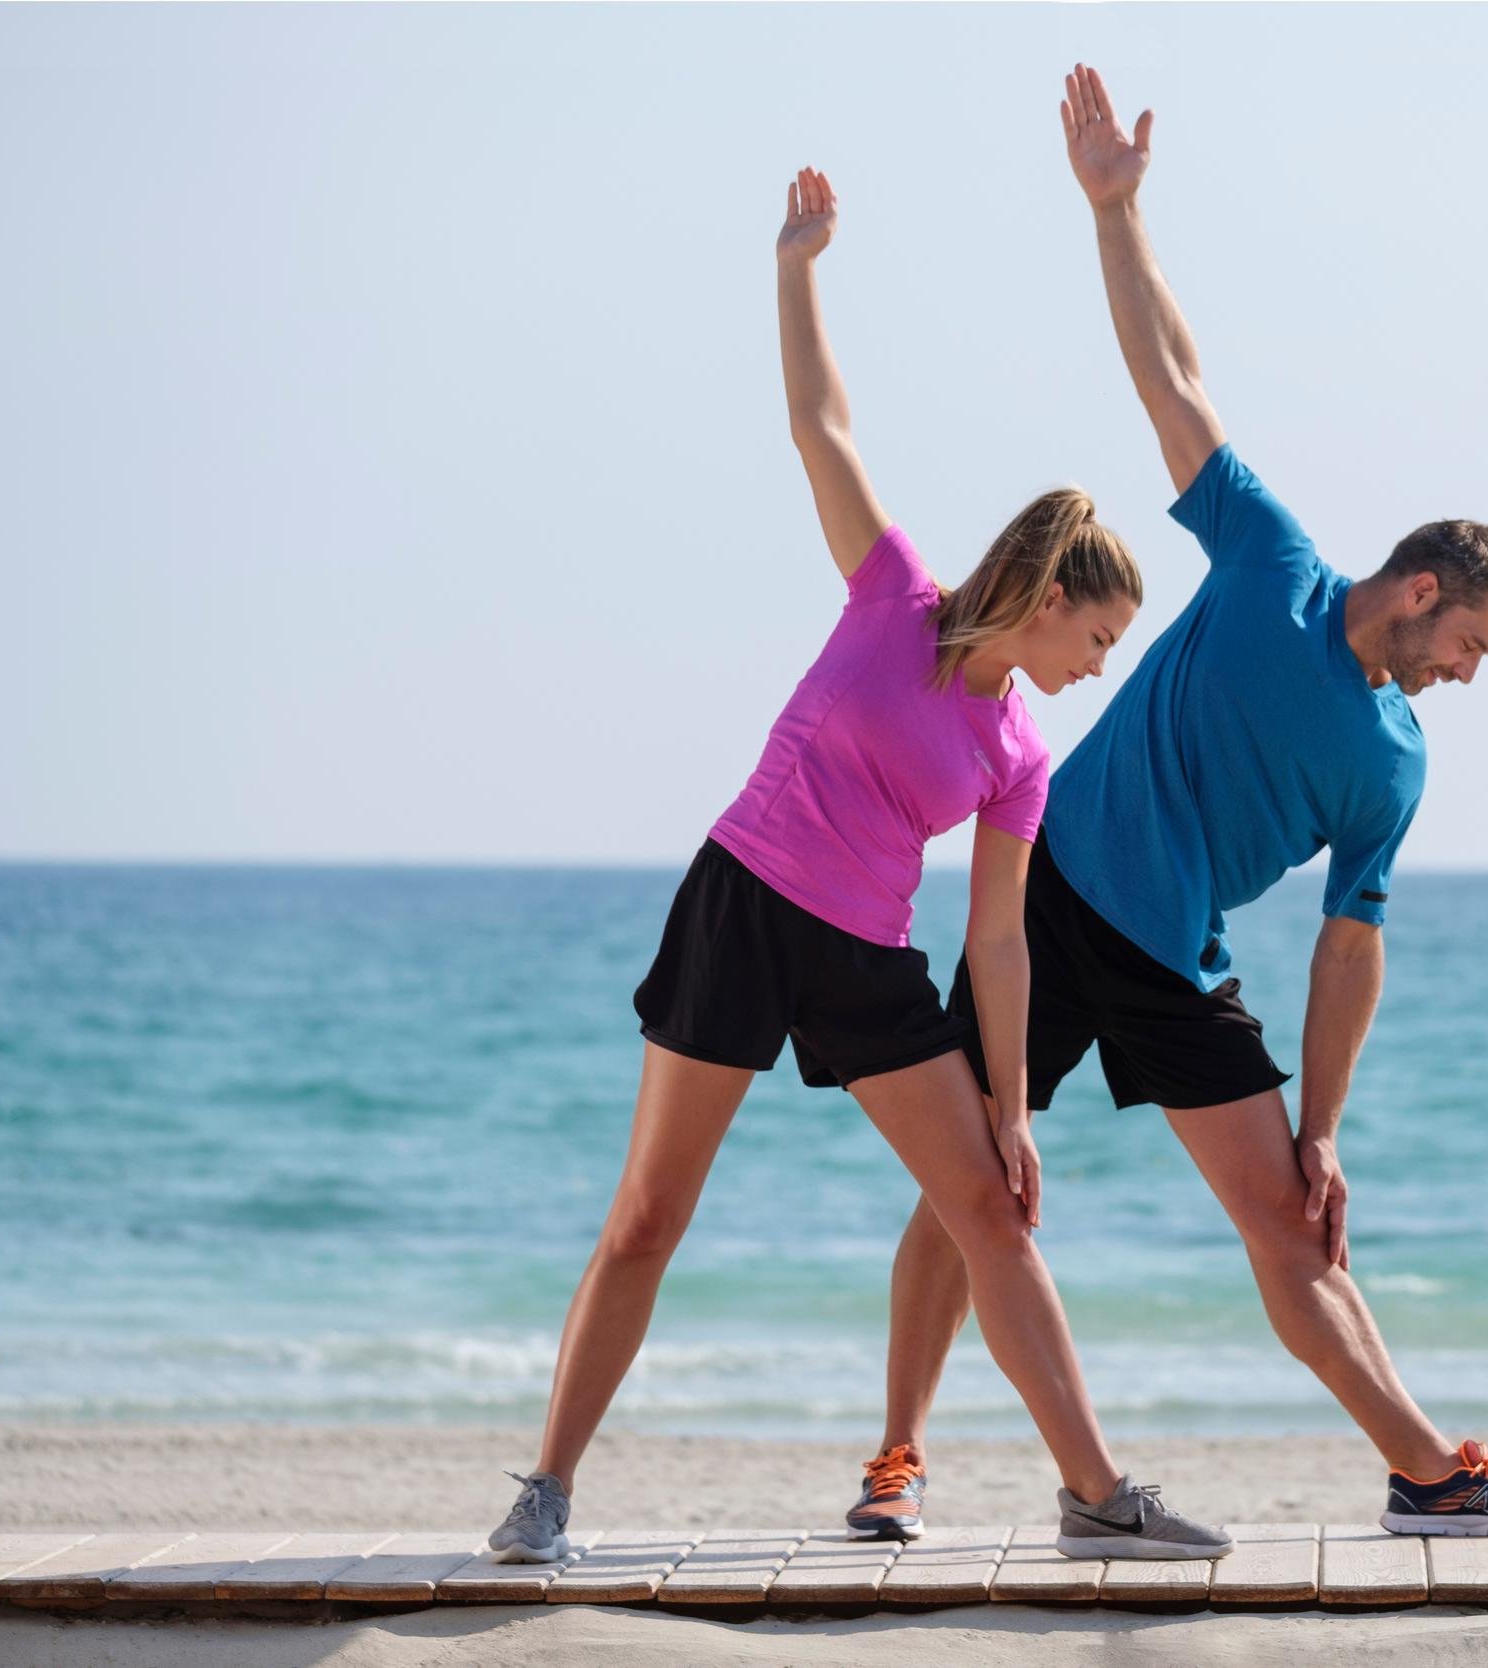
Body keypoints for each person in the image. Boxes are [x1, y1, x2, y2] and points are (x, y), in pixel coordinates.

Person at [841, 71, 1488, 1546]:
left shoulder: (1397, 763)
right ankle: (897, 1460)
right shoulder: (1270, 565)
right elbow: (1170, 379)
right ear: (1424, 589)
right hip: (1052, 898)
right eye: (1471, 647)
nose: (1467, 677)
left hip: (1177, 956)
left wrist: (1325, 1122)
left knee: (1296, 1221)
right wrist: (1118, 214)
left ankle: (1430, 1474)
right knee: (967, 1180)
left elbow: (1349, 946)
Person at [486, 165, 1229, 1565]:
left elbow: (997, 943)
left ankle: (1096, 1496)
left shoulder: (1021, 751)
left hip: (864, 955)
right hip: (743, 904)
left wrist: (1011, 1109)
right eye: (1098, 643)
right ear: (1052, 601)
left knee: (991, 1215)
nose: (1095, 671)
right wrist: (797, 266)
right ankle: (545, 1494)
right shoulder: (894, 595)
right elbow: (820, 425)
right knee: (649, 1213)